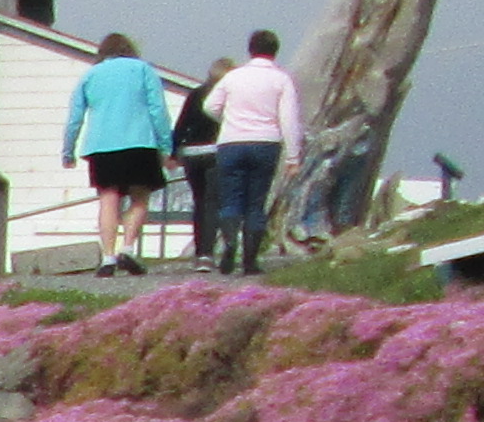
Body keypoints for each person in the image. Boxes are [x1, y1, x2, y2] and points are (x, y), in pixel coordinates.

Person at [60, 33, 174, 276]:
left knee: (108, 199)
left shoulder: (90, 75)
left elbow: (75, 118)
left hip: (101, 146)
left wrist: (68, 150)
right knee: (140, 197)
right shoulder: (143, 70)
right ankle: (129, 247)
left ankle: (108, 256)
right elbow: (157, 109)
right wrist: (166, 144)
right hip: (139, 142)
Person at [202, 29, 305, 274]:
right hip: (265, 143)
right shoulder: (281, 79)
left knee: (230, 200)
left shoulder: (233, 77)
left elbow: (209, 106)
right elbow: (289, 119)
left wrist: (227, 120)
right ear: (275, 51)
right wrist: (293, 156)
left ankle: (229, 242)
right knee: (256, 203)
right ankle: (250, 261)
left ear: (250, 50)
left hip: (231, 142)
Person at [172, 59, 226, 268]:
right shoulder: (225, 96)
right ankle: (207, 253)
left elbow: (181, 124)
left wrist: (174, 151)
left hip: (192, 153)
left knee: (199, 201)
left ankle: (200, 249)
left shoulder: (196, 94)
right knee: (212, 202)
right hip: (215, 151)